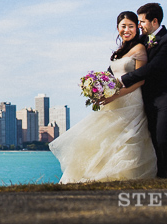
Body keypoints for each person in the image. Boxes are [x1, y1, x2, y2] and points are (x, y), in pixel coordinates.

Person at [49, 11, 157, 183]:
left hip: (131, 101)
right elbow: (111, 77)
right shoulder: (118, 52)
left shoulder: (140, 49)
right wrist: (97, 89)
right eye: (123, 26)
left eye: (131, 26)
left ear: (137, 27)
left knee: (127, 141)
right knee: (103, 140)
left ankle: (122, 177)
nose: (127, 30)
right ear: (117, 28)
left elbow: (140, 80)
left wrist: (115, 95)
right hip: (113, 102)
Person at [115, 2, 167, 178]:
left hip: (166, 98)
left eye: (141, 22)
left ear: (154, 21)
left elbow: (154, 67)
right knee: (153, 142)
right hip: (147, 100)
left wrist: (122, 80)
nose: (139, 26)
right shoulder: (142, 41)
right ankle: (161, 177)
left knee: (164, 141)